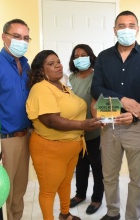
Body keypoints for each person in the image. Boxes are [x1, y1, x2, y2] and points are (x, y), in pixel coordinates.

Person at [91, 10, 140, 220]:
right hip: (110, 122)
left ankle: (132, 217)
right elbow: (96, 88)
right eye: (122, 25)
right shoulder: (103, 57)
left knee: (136, 178)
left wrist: (136, 115)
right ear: (114, 30)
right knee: (109, 176)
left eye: (131, 25)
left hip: (137, 127)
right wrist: (122, 99)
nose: (126, 29)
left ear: (138, 30)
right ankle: (113, 213)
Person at [26, 50, 102, 220]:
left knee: (65, 183)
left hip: (71, 147)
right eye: (51, 64)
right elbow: (51, 120)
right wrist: (83, 125)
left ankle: (65, 214)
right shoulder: (41, 88)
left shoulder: (62, 86)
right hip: (50, 148)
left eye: (58, 61)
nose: (58, 65)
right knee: (48, 191)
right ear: (40, 70)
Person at [0, 18, 32, 220]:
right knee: (4, 192)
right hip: (6, 138)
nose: (22, 41)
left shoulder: (27, 65)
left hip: (26, 135)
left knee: (20, 189)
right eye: (16, 36)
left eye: (26, 38)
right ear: (4, 37)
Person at [68, 44, 104, 215]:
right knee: (80, 166)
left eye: (84, 54)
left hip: (95, 130)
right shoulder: (71, 78)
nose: (80, 58)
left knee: (97, 166)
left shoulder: (97, 77)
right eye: (77, 56)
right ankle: (80, 194)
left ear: (91, 57)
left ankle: (97, 198)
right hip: (76, 131)